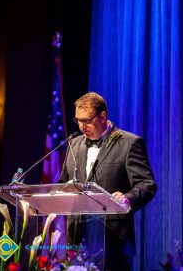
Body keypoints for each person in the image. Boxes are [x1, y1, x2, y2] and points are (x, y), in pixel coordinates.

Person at [58, 92, 157, 271]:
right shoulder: (74, 144)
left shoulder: (129, 143)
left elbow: (147, 184)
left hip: (113, 242)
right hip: (76, 241)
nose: (81, 126)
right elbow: (63, 183)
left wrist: (128, 198)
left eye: (87, 121)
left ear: (103, 116)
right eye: (78, 120)